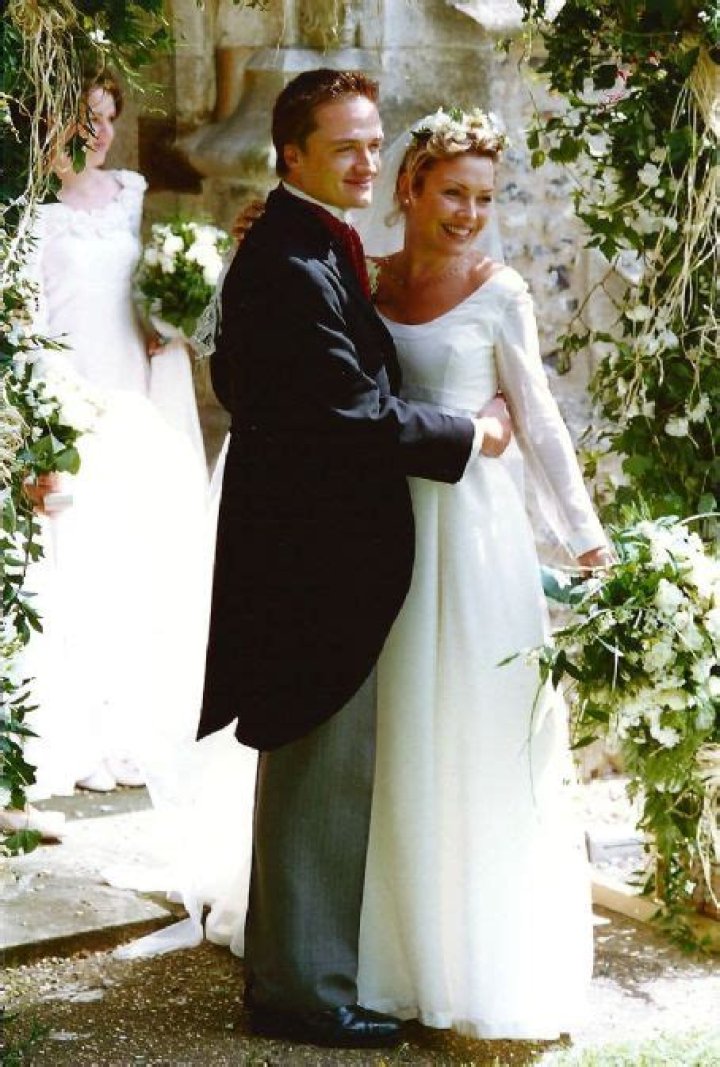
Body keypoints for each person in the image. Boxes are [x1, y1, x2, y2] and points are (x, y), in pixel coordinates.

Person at [195, 69, 512, 1050]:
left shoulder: (308, 241)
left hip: (314, 549)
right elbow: (349, 411)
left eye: (376, 143)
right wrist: (470, 434)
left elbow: (246, 375)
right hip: (311, 561)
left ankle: (297, 970)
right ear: (291, 154)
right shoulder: (289, 260)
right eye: (346, 147)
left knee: (314, 768)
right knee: (317, 772)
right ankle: (302, 993)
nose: (369, 161)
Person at [349, 107, 611, 1039]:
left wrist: (585, 538)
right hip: (382, 528)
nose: (468, 213)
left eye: (485, 198)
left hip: (476, 534)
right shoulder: (366, 278)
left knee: (479, 719)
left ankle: (484, 950)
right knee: (397, 722)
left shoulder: (501, 293)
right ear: (409, 186)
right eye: (452, 193)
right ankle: (395, 945)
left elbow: (537, 420)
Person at [8, 72, 209, 823]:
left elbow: (142, 296)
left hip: (131, 394)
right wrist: (41, 419)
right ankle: (75, 734)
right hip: (67, 399)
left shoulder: (129, 193)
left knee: (132, 561)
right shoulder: (26, 209)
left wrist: (170, 318)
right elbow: (29, 321)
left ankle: (129, 732)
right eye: (80, 117)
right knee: (73, 564)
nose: (95, 132)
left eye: (105, 117)